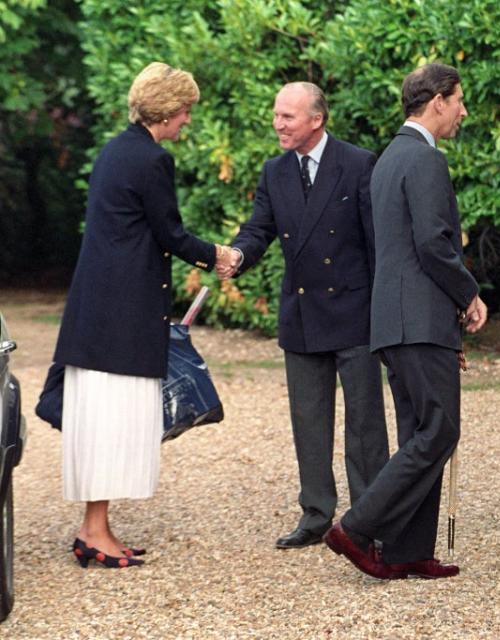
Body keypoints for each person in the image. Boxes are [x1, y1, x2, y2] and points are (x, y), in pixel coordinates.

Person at [51, 62, 233, 568]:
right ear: (169, 111)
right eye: (186, 113)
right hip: (125, 313)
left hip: (97, 310)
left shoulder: (113, 149)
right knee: (113, 421)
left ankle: (96, 528)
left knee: (99, 419)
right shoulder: (153, 160)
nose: (188, 122)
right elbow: (169, 234)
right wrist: (216, 254)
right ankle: (94, 531)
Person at [324, 63, 487, 580]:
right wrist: (469, 294)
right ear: (437, 100)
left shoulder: (389, 159)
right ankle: (356, 527)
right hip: (420, 318)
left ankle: (406, 551)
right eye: (459, 99)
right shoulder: (423, 160)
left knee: (421, 431)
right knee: (439, 429)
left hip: (394, 320)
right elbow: (433, 245)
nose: (463, 110)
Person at [217, 82, 389, 549]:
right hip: (303, 314)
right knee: (309, 422)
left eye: (287, 117)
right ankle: (315, 515)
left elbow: (378, 242)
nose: (278, 124)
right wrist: (238, 254)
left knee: (365, 424)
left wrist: (387, 313)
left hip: (355, 313)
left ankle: (369, 519)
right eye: (276, 115)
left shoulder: (358, 163)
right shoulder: (275, 171)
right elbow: (258, 228)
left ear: (316, 119)